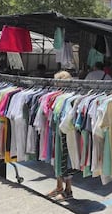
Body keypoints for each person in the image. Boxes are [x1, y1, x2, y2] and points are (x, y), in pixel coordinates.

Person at [47, 70, 75, 201]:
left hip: (65, 134)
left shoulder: (68, 98)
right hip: (58, 132)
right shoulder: (59, 97)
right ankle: (59, 186)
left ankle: (68, 190)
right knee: (57, 160)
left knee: (65, 161)